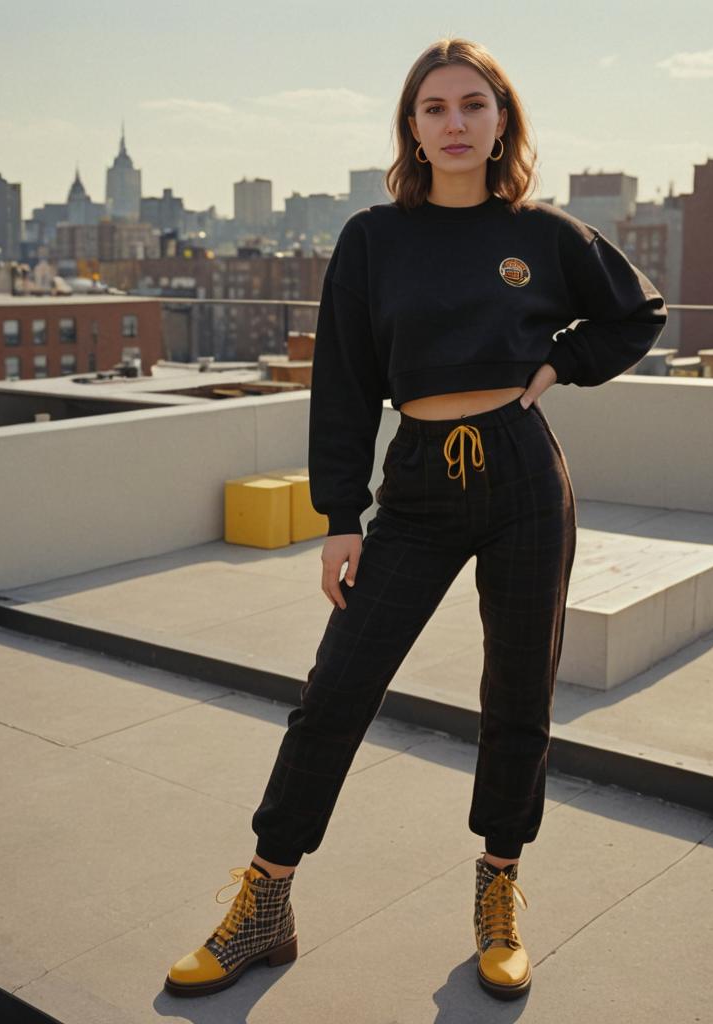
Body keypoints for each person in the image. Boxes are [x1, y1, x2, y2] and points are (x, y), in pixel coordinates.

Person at [165, 36, 666, 1001]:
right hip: (420, 484)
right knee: (336, 692)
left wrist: (560, 364)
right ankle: (266, 903)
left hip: (523, 477)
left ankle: (500, 891)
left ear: (501, 118)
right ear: (412, 126)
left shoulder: (547, 233)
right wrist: (340, 515)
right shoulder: (372, 238)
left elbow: (634, 313)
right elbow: (343, 381)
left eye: (472, 105)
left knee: (518, 695)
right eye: (434, 107)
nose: (454, 123)